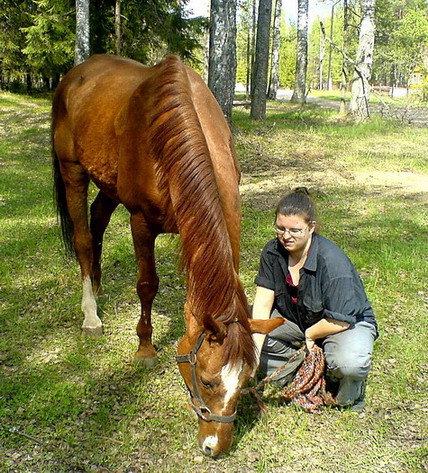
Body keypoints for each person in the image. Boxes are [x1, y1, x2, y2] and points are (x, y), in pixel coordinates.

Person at [252, 188, 378, 412]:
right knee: (241, 333)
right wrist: (252, 352)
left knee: (350, 364)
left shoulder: (332, 262)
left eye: (295, 230)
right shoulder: (272, 252)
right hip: (298, 319)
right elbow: (262, 305)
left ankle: (349, 392)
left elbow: (340, 320)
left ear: (312, 227)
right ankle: (303, 370)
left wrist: (310, 335)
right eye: (280, 228)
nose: (286, 236)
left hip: (343, 323)